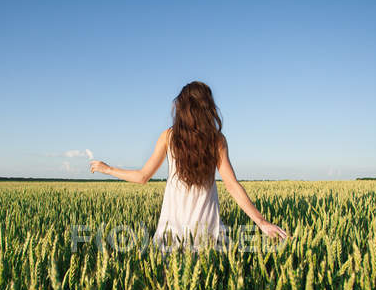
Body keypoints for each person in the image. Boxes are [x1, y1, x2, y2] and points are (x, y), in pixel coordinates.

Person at [90, 81, 288, 252]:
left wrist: (108, 169)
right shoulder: (216, 140)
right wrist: (260, 222)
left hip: (171, 232)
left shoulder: (168, 137)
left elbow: (143, 177)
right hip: (208, 234)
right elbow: (232, 185)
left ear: (183, 108)